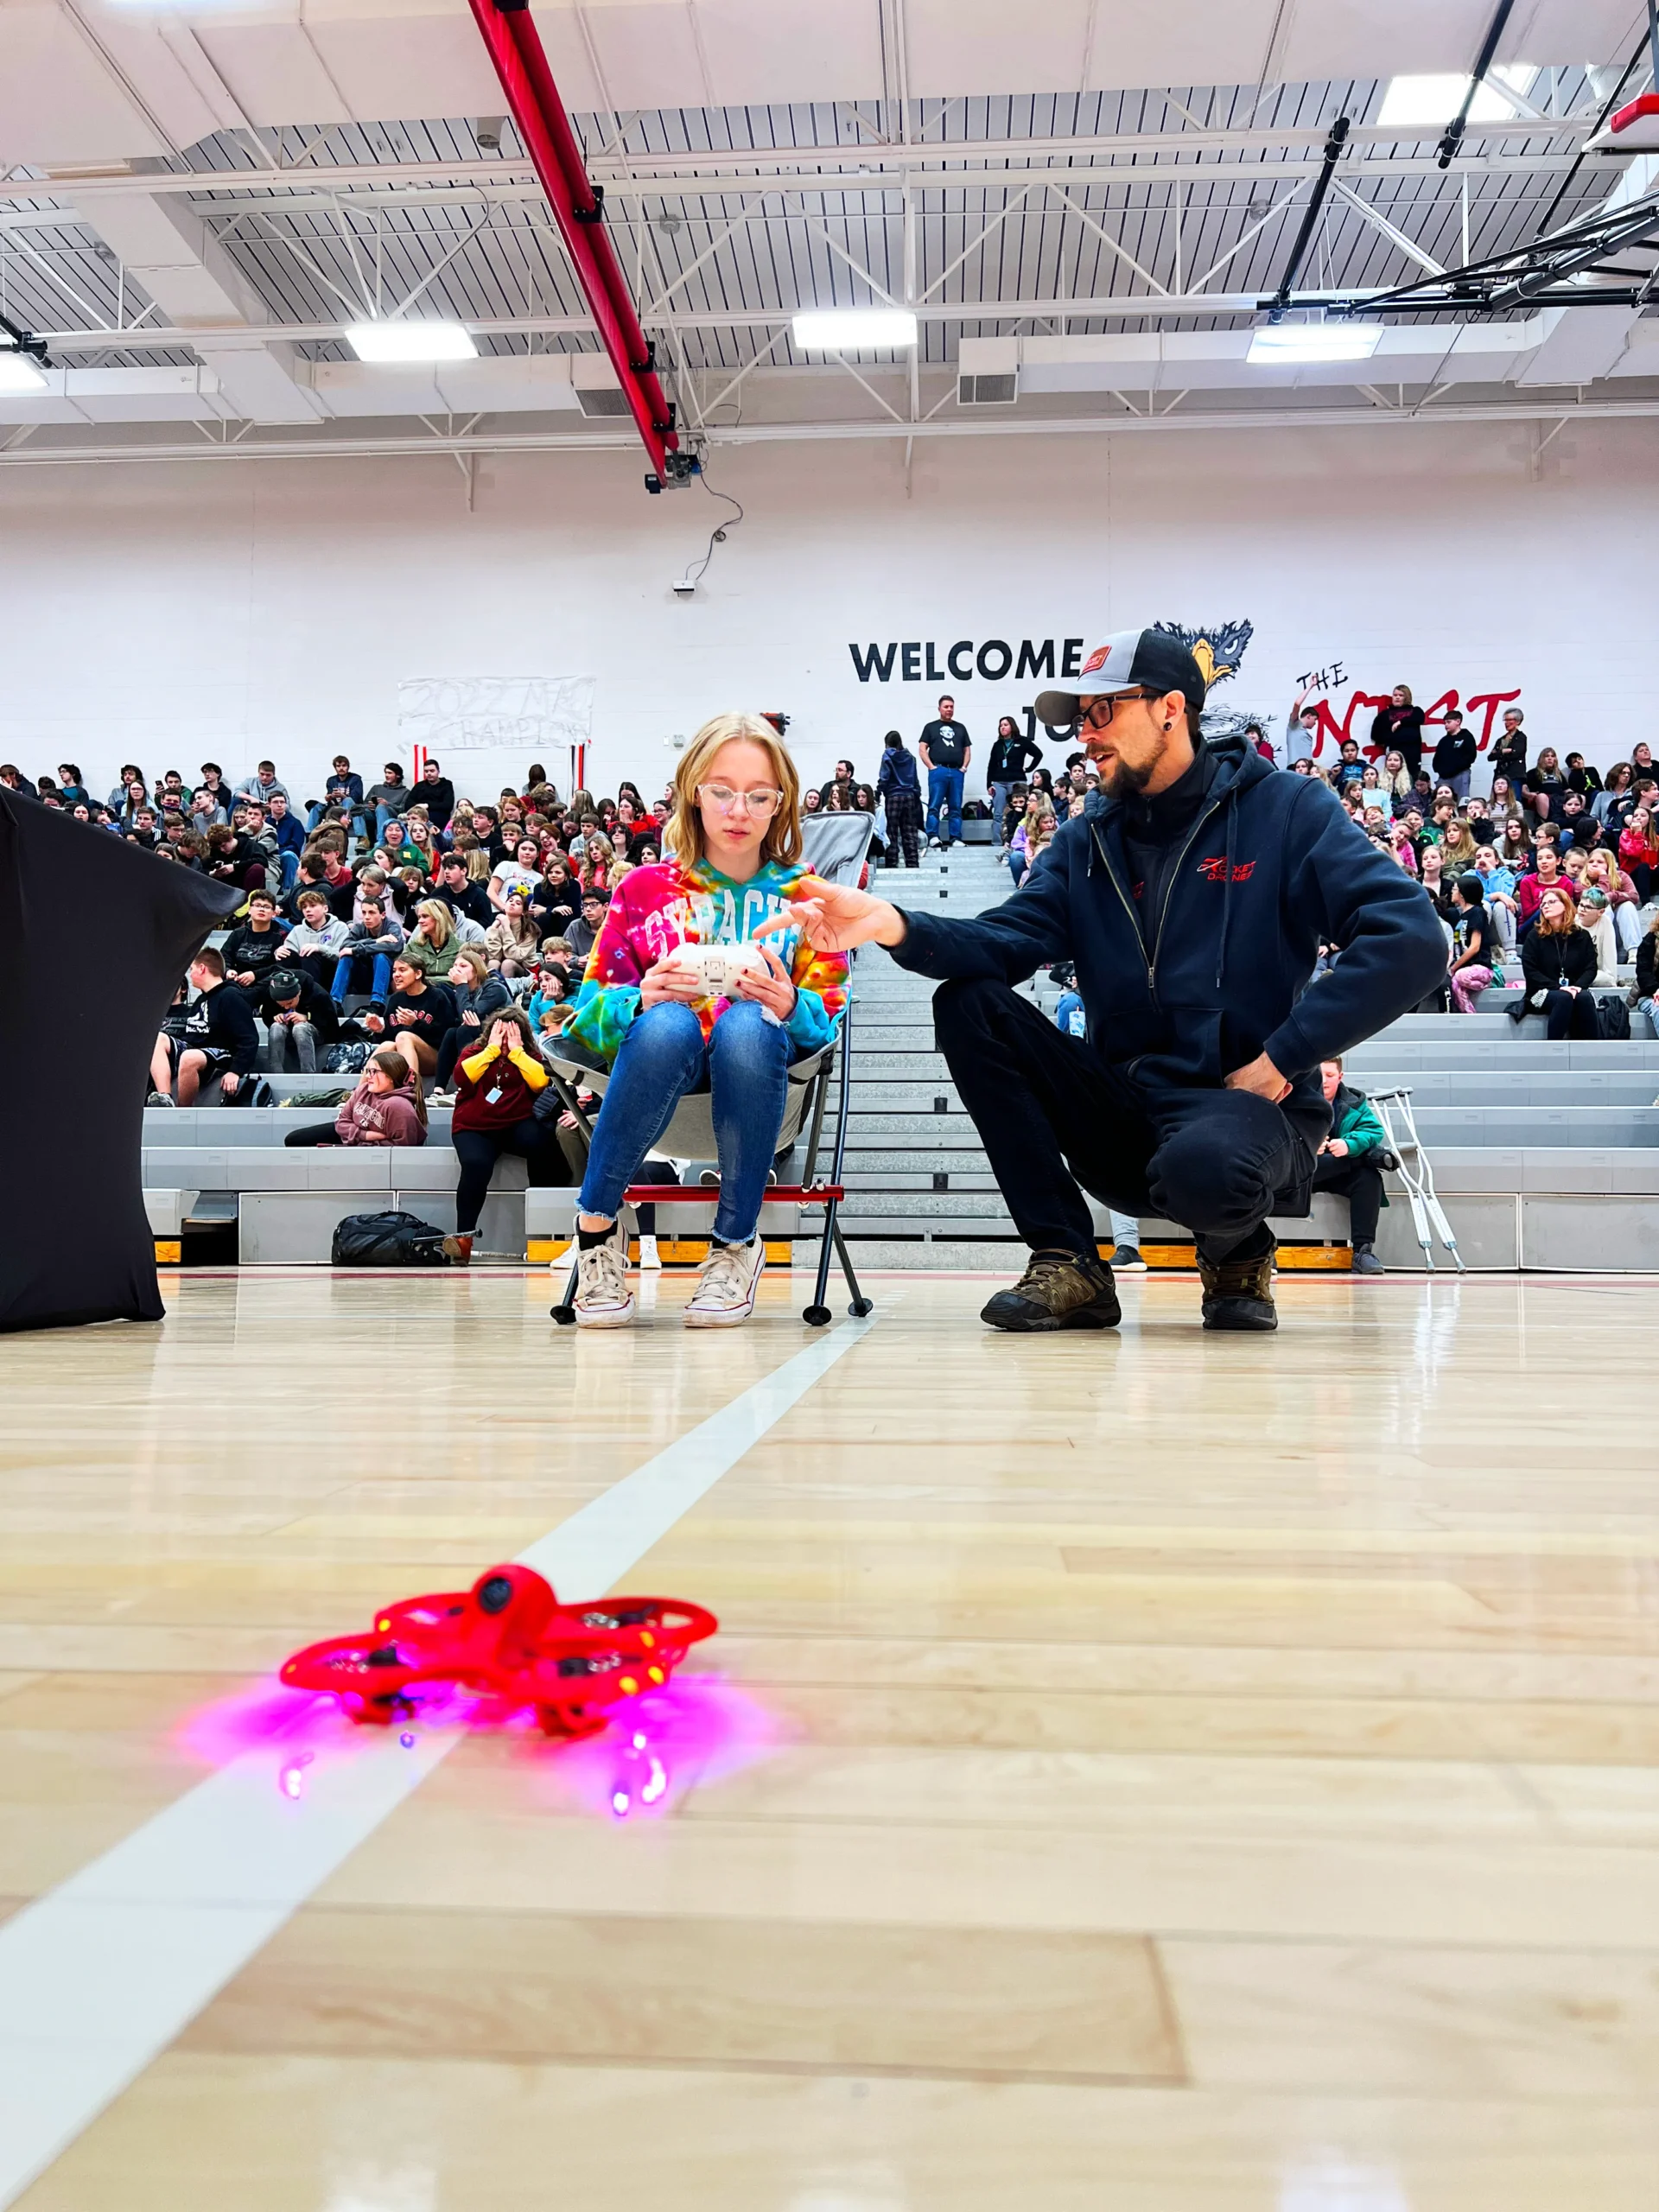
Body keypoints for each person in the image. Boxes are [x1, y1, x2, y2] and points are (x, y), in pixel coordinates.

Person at [772, 626, 1446, 1334]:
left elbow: (1413, 938)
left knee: (1208, 1169)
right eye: (1078, 720)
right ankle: (1068, 1259)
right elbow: (1003, 941)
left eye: (1102, 713)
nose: (1084, 738)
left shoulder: (1288, 811)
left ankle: (1239, 1252)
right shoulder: (1083, 841)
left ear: (1170, 708)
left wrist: (1287, 1056)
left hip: (1245, 1107)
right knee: (970, 1002)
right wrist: (890, 923)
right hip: (1123, 1110)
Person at [565, 712, 849, 1329]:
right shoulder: (642, 889)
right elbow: (582, 1021)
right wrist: (638, 999)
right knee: (667, 1023)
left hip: (764, 1092)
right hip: (656, 1094)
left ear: (782, 804)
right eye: (722, 790)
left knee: (747, 1023)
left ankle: (735, 1246)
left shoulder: (810, 898)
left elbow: (827, 1026)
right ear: (694, 791)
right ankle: (596, 1232)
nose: (738, 809)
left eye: (758, 795)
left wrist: (788, 1006)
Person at [442, 1007, 556, 1266]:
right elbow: (462, 1077)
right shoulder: (475, 1052)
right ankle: (463, 1238)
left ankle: (548, 1231)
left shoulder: (530, 1055)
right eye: (500, 1035)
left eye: (511, 1035)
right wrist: (492, 1050)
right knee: (475, 1165)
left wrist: (517, 1053)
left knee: (545, 1144)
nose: (505, 1041)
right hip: (475, 1126)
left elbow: (540, 1083)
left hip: (515, 1124)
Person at [149, 948, 260, 1105]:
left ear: (202, 969)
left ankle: (182, 1111)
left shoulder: (231, 996)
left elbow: (249, 1039)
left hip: (222, 1053)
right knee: (158, 1039)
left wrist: (236, 1071)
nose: (190, 973)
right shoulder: (201, 1000)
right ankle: (165, 1097)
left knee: (189, 1057)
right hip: (195, 1049)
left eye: (192, 969)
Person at [1312, 1058, 1388, 1275]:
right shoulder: (1292, 1097)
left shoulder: (1354, 1102)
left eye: (1330, 1075)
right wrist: (1306, 1144)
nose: (1324, 1081)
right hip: (1304, 1172)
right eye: (1319, 1075)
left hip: (1338, 1169)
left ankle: (1363, 1252)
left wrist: (1349, 1144)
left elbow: (1373, 1131)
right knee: (1362, 1161)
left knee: (1369, 1177)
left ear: (1340, 1077)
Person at [283, 1047, 428, 1148]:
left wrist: (360, 1144)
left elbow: (404, 1149)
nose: (368, 1076)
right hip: (354, 1135)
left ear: (391, 1076)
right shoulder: (364, 1089)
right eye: (367, 1071)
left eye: (374, 1072)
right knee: (294, 1139)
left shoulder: (399, 1107)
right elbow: (342, 1121)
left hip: (368, 1149)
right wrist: (365, 1135)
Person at [1515, 887, 1599, 1037]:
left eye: (1552, 902)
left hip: (1575, 990)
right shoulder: (1534, 936)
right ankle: (1555, 1048)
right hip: (1541, 991)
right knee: (1563, 998)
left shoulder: (1582, 936)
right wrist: (1559, 988)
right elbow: (1531, 972)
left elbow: (1591, 968)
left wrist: (1577, 987)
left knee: (1584, 997)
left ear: (1565, 905)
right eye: (1543, 904)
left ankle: (1590, 1050)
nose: (1546, 906)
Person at [434, 944, 514, 1092]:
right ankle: (438, 1091)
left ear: (476, 970)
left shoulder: (495, 988)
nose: (457, 969)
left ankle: (465, 1087)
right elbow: (462, 1018)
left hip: (504, 1037)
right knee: (452, 1032)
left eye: (463, 966)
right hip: (481, 1034)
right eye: (455, 965)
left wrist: (461, 986)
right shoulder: (463, 990)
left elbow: (470, 1014)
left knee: (464, 1030)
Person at [257, 964, 337, 1074]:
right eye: (282, 1005)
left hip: (314, 1033)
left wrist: (308, 1017)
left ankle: (308, 1074)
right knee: (276, 1027)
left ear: (298, 993)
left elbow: (331, 1025)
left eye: (290, 1003)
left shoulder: (318, 994)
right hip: (287, 1032)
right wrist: (275, 1017)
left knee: (300, 1028)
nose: (286, 1007)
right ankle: (277, 1074)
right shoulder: (270, 995)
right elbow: (267, 1015)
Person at [332, 895, 404, 1007]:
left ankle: (377, 1004)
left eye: (372, 913)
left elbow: (395, 946)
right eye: (364, 912)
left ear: (383, 915)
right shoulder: (359, 927)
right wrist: (376, 941)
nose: (366, 917)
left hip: (385, 976)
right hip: (363, 975)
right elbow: (345, 947)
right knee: (346, 957)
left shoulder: (392, 927)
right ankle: (335, 1001)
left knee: (380, 956)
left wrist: (357, 949)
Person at [919, 696, 970, 849]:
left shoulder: (961, 728)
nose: (949, 710)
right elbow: (922, 749)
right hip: (938, 770)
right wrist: (931, 767)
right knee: (934, 805)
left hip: (956, 772)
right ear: (939, 708)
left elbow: (967, 750)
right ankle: (933, 836)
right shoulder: (930, 727)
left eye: (951, 707)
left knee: (955, 806)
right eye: (946, 707)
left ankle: (955, 838)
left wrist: (963, 768)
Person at [985, 716, 1043, 851]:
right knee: (999, 813)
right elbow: (991, 765)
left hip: (1017, 780)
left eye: (1005, 725)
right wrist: (989, 784)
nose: (1003, 727)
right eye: (1000, 725)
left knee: (1021, 811)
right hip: (999, 781)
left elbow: (1038, 754)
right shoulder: (997, 745)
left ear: (1012, 726)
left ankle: (1020, 841)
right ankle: (997, 843)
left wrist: (1028, 769)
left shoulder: (1022, 742)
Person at [278, 888, 351, 988]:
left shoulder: (339, 927)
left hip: (330, 973)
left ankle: (314, 995)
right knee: (285, 956)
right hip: (303, 973)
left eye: (312, 906)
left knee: (310, 954)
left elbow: (342, 955)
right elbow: (291, 955)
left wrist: (319, 948)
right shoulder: (297, 930)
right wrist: (280, 951)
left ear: (325, 909)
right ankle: (286, 994)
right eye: (304, 907)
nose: (308, 910)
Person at [221, 888, 289, 993]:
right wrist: (228, 971)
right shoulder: (238, 933)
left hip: (265, 985)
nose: (261, 909)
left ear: (274, 913)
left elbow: (281, 967)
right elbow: (224, 956)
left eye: (266, 907)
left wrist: (255, 975)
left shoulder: (281, 936)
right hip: (236, 982)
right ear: (249, 910)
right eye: (257, 905)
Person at [876, 728, 923, 869]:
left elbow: (884, 777)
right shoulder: (911, 757)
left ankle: (891, 862)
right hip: (909, 796)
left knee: (892, 831)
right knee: (909, 831)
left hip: (893, 796)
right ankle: (913, 863)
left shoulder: (887, 756)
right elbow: (915, 779)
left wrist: (879, 791)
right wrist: (916, 794)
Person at [1446, 874, 1493, 1013]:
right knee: (1454, 983)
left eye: (1455, 889)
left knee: (1459, 976)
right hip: (1464, 968)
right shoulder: (1460, 916)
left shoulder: (1478, 913)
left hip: (1481, 967)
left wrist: (1454, 967)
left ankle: (1488, 984)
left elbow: (1474, 947)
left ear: (1462, 893)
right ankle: (1469, 1017)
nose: (1452, 892)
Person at [1370, 685, 1426, 779]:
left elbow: (1420, 718)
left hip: (1412, 753)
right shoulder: (1385, 714)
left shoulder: (1415, 711)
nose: (1397, 697)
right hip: (1394, 752)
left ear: (1407, 697)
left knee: (1412, 778)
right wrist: (1391, 739)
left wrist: (1401, 722)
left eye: (1401, 695)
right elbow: (1375, 734)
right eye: (1395, 695)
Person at [1431, 709, 1477, 799]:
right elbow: (1437, 758)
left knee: (1462, 801)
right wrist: (1439, 770)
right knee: (1441, 802)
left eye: (1448, 722)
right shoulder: (1443, 741)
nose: (1446, 725)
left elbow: (1471, 755)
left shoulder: (1466, 737)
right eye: (1445, 723)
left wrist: (1457, 767)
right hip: (1444, 777)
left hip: (1460, 774)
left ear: (1458, 721)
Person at [1618, 804, 1659, 902]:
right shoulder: (1626, 834)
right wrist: (1637, 834)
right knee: (1643, 867)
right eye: (1635, 816)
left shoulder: (1656, 838)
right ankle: (1646, 903)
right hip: (1630, 879)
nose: (1639, 818)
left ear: (1649, 819)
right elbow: (1634, 852)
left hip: (1651, 878)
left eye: (1643, 816)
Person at [1522, 747, 1568, 821]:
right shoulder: (1533, 772)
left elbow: (1567, 789)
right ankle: (1545, 822)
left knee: (1580, 797)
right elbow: (1524, 789)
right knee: (1542, 797)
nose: (1550, 758)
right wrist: (1529, 794)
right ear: (1541, 759)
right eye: (1547, 756)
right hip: (1541, 798)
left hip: (1558, 798)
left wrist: (1573, 795)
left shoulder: (1559, 774)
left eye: (1552, 756)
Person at [1489, 706, 1529, 786]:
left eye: (1509, 720)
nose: (1506, 723)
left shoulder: (1521, 737)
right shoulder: (1501, 739)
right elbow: (1490, 757)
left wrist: (1499, 754)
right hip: (1500, 775)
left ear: (1518, 721)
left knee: (1514, 798)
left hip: (1514, 775)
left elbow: (1516, 753)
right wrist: (1503, 751)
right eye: (1505, 720)